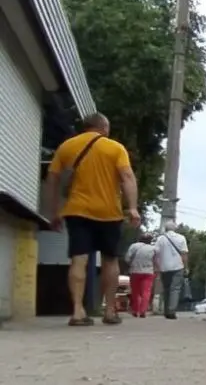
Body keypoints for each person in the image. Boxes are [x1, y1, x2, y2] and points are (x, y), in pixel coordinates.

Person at [43, 112, 141, 326]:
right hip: (109, 212)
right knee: (110, 260)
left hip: (77, 211)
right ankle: (110, 310)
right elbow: (127, 177)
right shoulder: (115, 148)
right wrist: (132, 208)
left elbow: (52, 180)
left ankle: (78, 311)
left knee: (78, 259)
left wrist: (54, 211)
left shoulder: (66, 147)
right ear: (104, 127)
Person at [155, 220, 189, 319]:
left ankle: (166, 310)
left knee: (166, 289)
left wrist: (157, 266)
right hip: (178, 266)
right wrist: (186, 267)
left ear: (165, 228)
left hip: (164, 267)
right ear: (175, 228)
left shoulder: (160, 239)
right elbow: (184, 254)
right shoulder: (181, 238)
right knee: (175, 289)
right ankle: (171, 310)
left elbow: (156, 253)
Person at [124, 233, 157, 318]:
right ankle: (143, 311)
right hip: (148, 272)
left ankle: (136, 310)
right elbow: (156, 261)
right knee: (146, 292)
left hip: (135, 271)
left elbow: (127, 258)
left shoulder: (133, 246)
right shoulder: (153, 249)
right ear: (150, 240)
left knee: (135, 292)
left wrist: (132, 264)